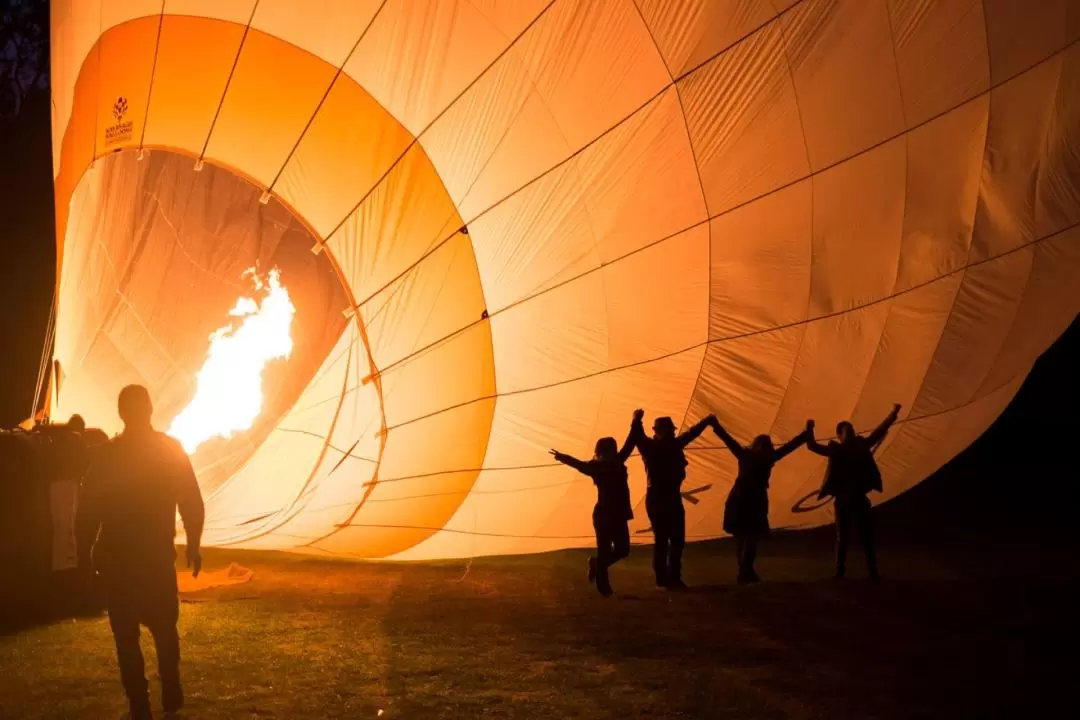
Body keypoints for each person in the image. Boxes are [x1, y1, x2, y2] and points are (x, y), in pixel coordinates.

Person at [76, 385, 204, 720]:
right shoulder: (169, 450)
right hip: (155, 558)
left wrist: (85, 555)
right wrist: (193, 543)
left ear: (122, 413)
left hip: (119, 561)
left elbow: (87, 510)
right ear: (149, 409)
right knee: (164, 630)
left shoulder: (106, 455)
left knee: (127, 637)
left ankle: (139, 705)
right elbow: (191, 500)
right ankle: (171, 692)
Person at [710, 417, 813, 584]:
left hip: (740, 500)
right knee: (749, 537)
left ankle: (744, 571)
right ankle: (746, 571)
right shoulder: (767, 458)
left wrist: (715, 425)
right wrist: (805, 435)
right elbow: (789, 447)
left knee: (742, 538)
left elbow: (728, 440)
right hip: (751, 501)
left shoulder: (746, 455)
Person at [806, 404, 901, 580]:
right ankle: (840, 572)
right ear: (840, 435)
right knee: (843, 538)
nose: (851, 432)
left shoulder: (861, 446)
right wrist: (809, 428)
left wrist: (893, 414)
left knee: (866, 537)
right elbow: (812, 446)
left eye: (851, 429)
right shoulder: (836, 450)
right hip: (843, 499)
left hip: (858, 497)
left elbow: (879, 432)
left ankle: (872, 572)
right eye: (847, 430)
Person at [630, 409, 714, 589]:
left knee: (676, 538)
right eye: (670, 430)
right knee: (663, 538)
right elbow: (639, 436)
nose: (673, 432)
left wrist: (705, 422)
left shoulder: (667, 445)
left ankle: (672, 577)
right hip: (659, 497)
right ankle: (664, 578)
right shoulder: (653, 447)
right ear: (660, 431)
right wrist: (636, 421)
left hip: (669, 496)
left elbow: (691, 434)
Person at [550, 423, 635, 597]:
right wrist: (562, 457)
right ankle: (604, 588)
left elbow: (630, 442)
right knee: (604, 550)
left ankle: (596, 564)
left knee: (623, 549)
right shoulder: (596, 467)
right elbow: (578, 464)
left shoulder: (617, 461)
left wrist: (636, 422)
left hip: (618, 513)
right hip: (604, 513)